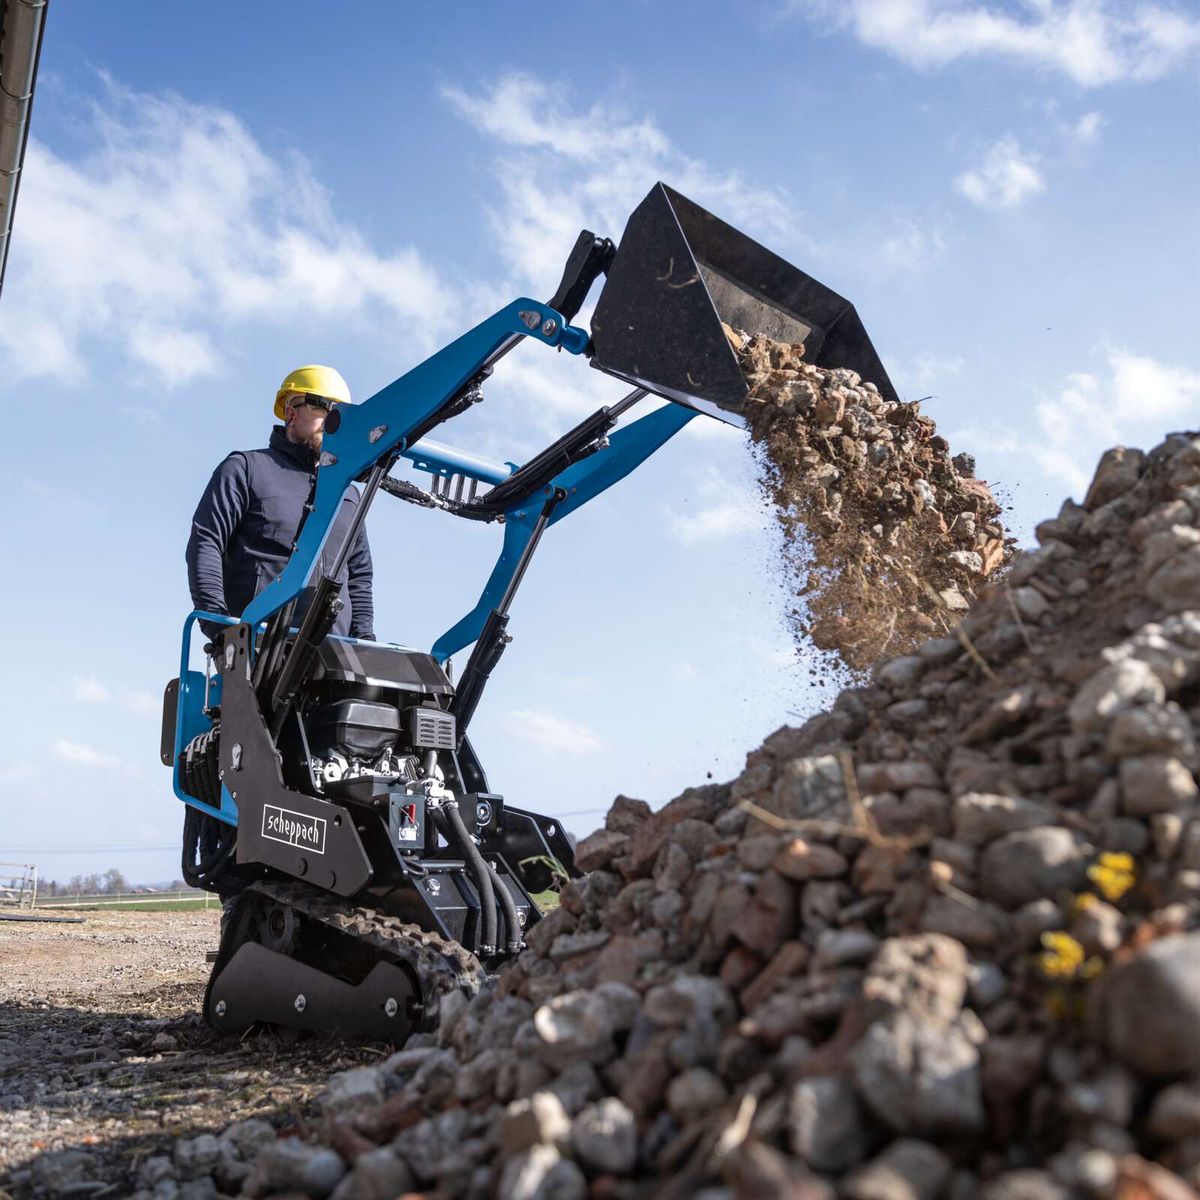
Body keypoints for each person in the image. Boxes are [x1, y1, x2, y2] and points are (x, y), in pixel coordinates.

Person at [186, 365, 375, 642]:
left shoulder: (348, 494)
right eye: (325, 409)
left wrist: (365, 641)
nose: (335, 423)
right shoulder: (245, 469)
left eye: (341, 415)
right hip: (256, 647)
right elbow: (206, 542)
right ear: (291, 412)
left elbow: (359, 574)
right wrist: (219, 626)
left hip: (332, 657)